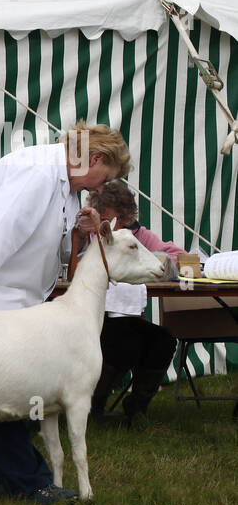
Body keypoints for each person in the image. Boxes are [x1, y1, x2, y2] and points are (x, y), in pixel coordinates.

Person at [0, 121, 131, 504]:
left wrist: (79, 232)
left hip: (7, 291)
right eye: (106, 177)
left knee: (2, 379)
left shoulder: (67, 187)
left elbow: (53, 248)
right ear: (97, 158)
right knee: (2, 382)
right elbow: (3, 225)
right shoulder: (37, 172)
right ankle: (32, 481)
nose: (102, 188)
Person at [82, 180, 182, 426]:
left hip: (128, 317)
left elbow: (175, 254)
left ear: (124, 214)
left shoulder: (136, 235)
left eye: (111, 214)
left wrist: (161, 261)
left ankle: (136, 407)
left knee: (163, 340)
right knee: (126, 341)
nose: (107, 218)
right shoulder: (89, 233)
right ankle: (93, 405)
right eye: (102, 213)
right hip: (92, 316)